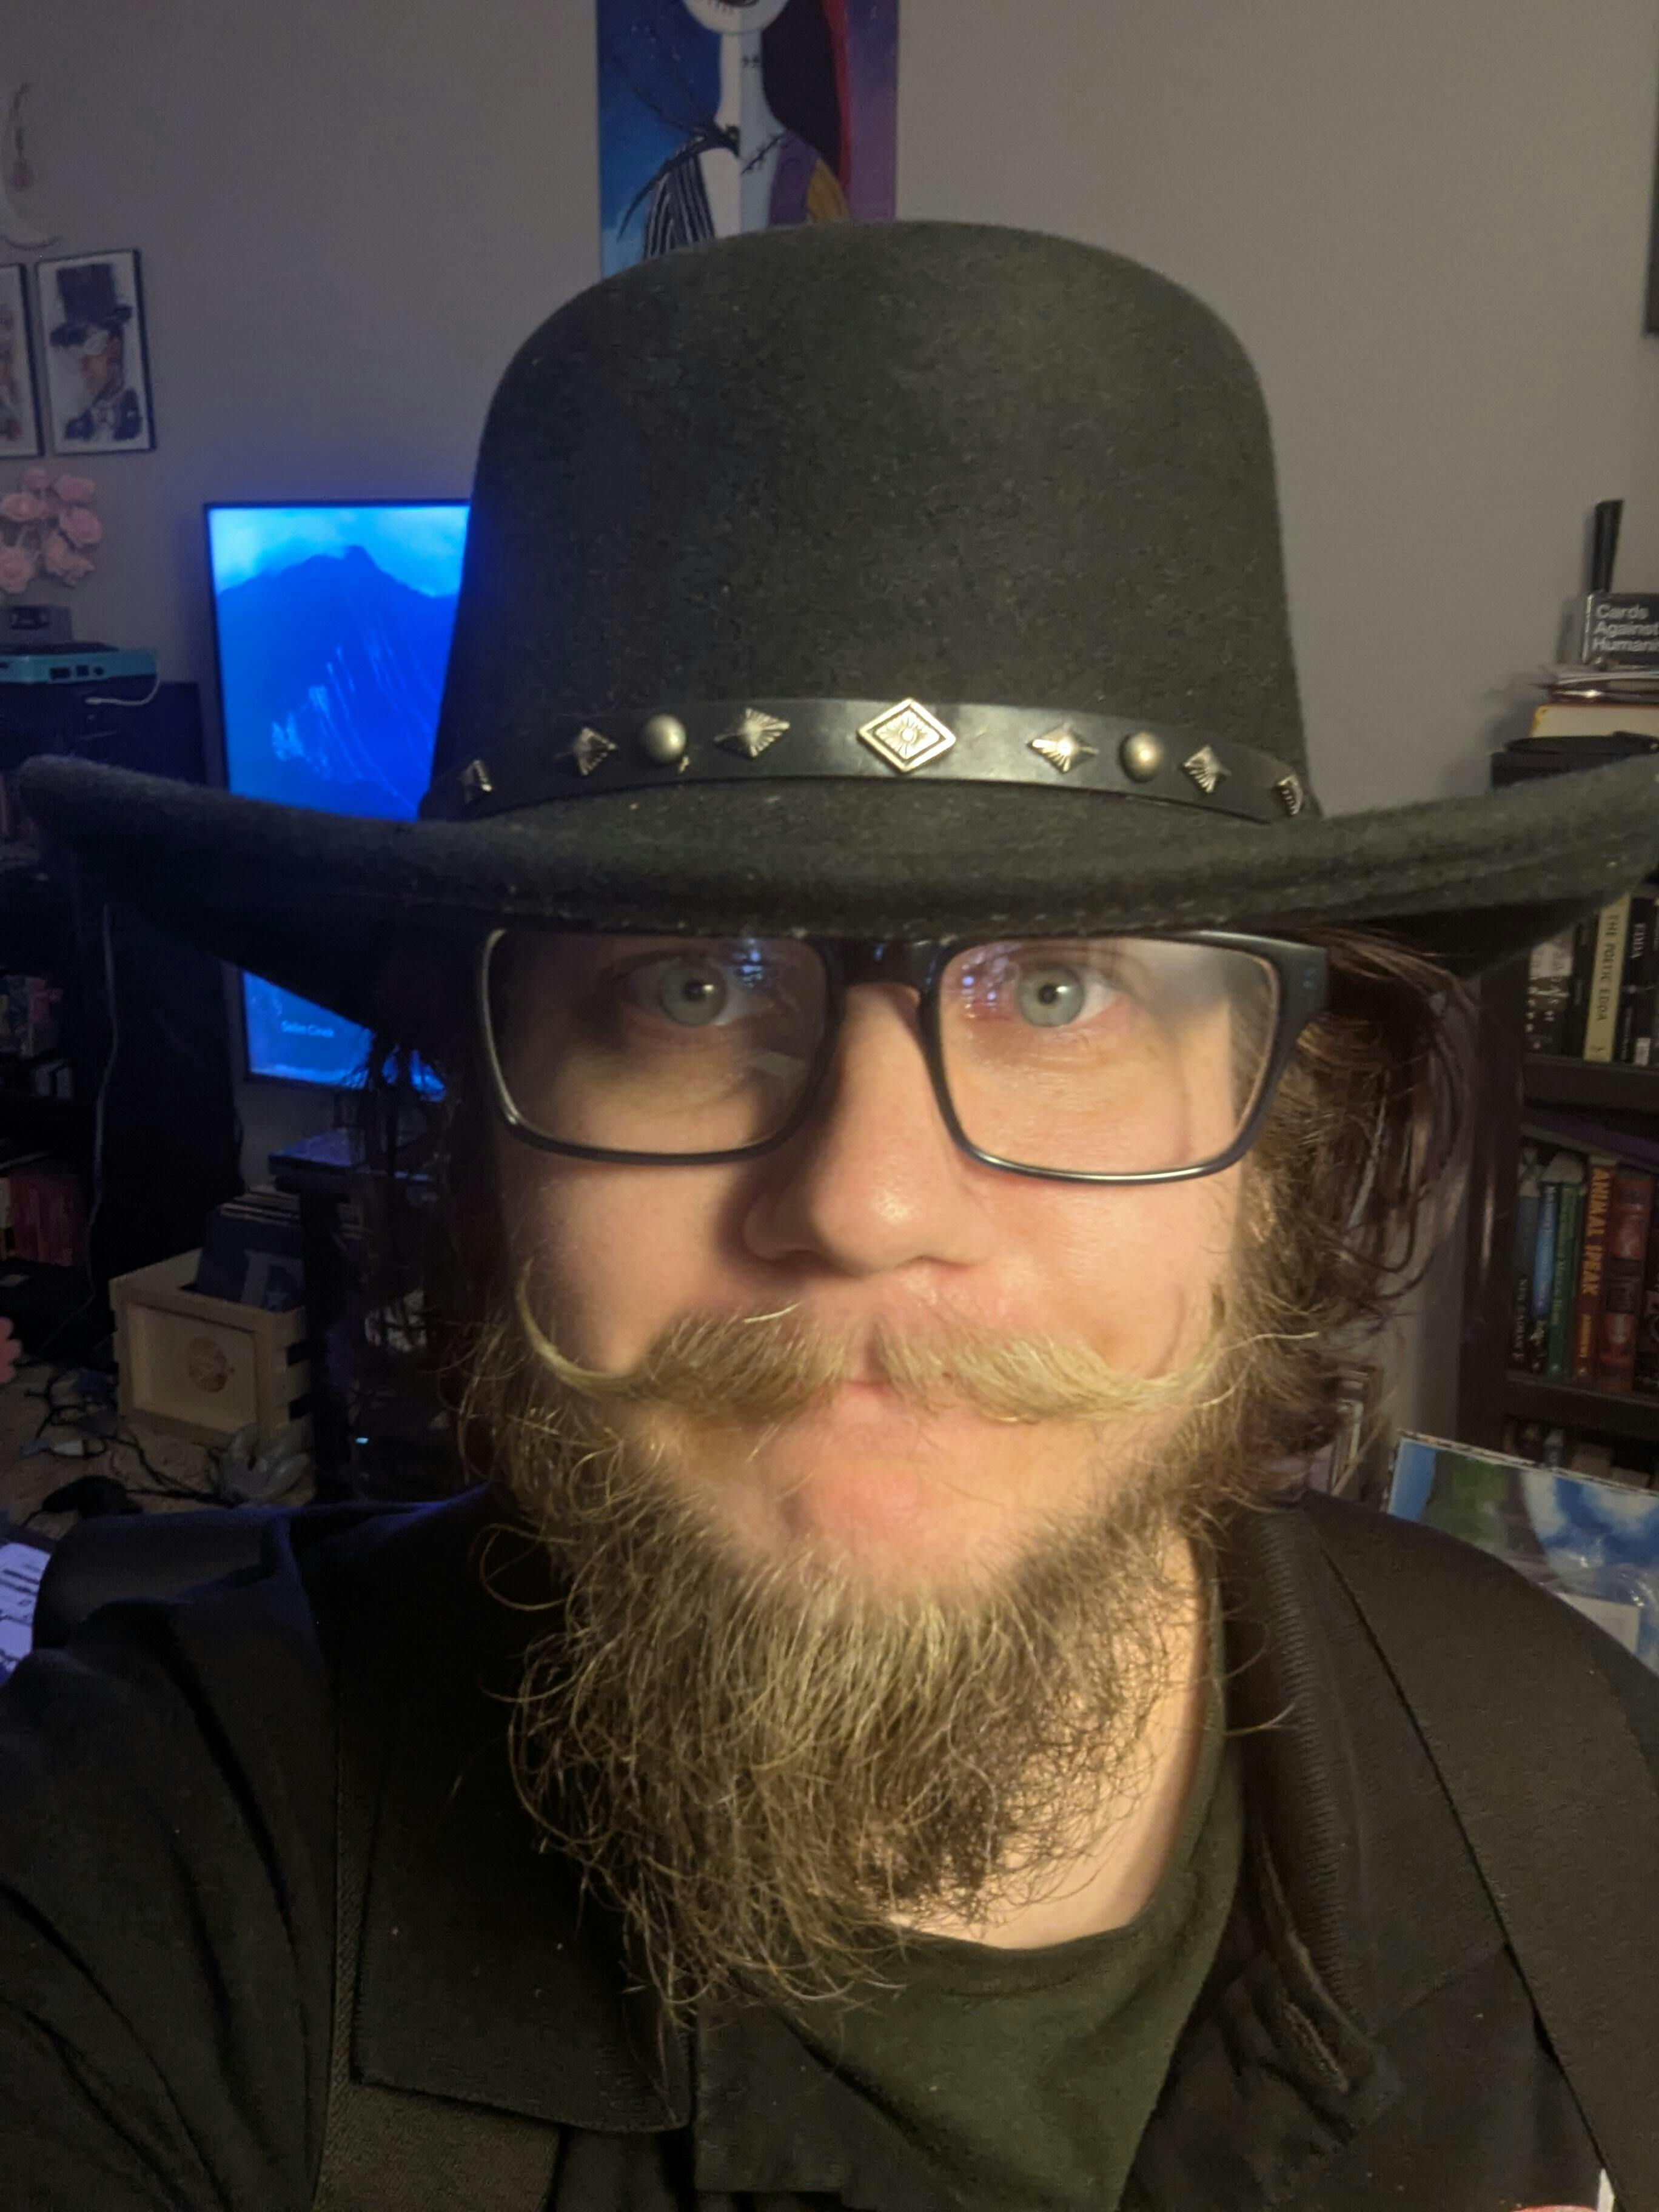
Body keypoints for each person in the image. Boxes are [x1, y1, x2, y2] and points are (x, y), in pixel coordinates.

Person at [5, 221, 1659, 2212]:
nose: (867, 1203)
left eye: (1060, 991)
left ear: (1280, 1148)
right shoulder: (139, 1871)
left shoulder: (1582, 1794)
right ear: (484, 1146)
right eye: (690, 988)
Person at [48, 260, 143, 444]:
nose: (83, 367)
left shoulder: (135, 414)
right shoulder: (75, 425)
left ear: (114, 350)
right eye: (74, 352)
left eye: (91, 350)